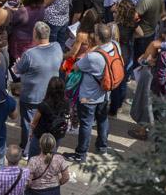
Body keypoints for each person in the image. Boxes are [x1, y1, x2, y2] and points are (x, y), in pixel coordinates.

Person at [68, 23, 115, 162]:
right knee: (103, 119)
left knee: (86, 124)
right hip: (106, 93)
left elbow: (76, 67)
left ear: (99, 38)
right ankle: (102, 146)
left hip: (88, 97)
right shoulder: (114, 46)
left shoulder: (93, 57)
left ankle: (81, 154)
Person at [14, 21, 62, 153]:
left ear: (35, 35)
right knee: (45, 122)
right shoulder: (58, 47)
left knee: (29, 124)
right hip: (50, 96)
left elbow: (17, 70)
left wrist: (18, 65)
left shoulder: (29, 54)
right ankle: (43, 147)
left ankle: (26, 149)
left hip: (31, 97)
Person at [30, 77, 70, 158]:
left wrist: (31, 133)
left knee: (33, 158)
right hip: (56, 136)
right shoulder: (67, 103)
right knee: (50, 157)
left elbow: (34, 122)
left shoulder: (43, 105)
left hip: (40, 136)